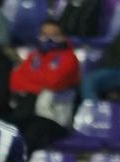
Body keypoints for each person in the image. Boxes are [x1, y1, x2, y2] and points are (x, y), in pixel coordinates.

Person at [9, 19, 80, 154]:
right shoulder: (34, 56)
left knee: (31, 133)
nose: (48, 39)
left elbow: (54, 82)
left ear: (63, 37)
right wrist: (40, 86)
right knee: (7, 127)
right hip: (30, 113)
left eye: (53, 35)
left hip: (56, 119)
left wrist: (32, 80)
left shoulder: (69, 58)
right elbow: (15, 81)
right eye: (44, 34)